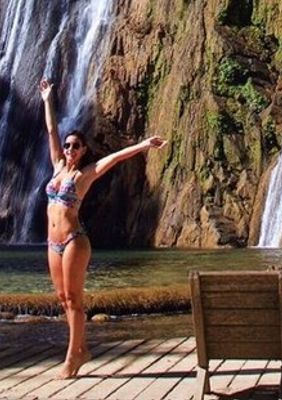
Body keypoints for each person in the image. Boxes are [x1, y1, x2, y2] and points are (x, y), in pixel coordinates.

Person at [39, 77, 166, 378]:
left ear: (83, 151)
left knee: (74, 298)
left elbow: (116, 158)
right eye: (68, 145)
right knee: (61, 298)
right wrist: (47, 99)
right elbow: (51, 130)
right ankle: (81, 349)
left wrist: (145, 144)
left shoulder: (84, 175)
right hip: (52, 243)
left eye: (75, 146)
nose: (69, 148)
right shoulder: (57, 166)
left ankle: (72, 357)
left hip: (73, 240)